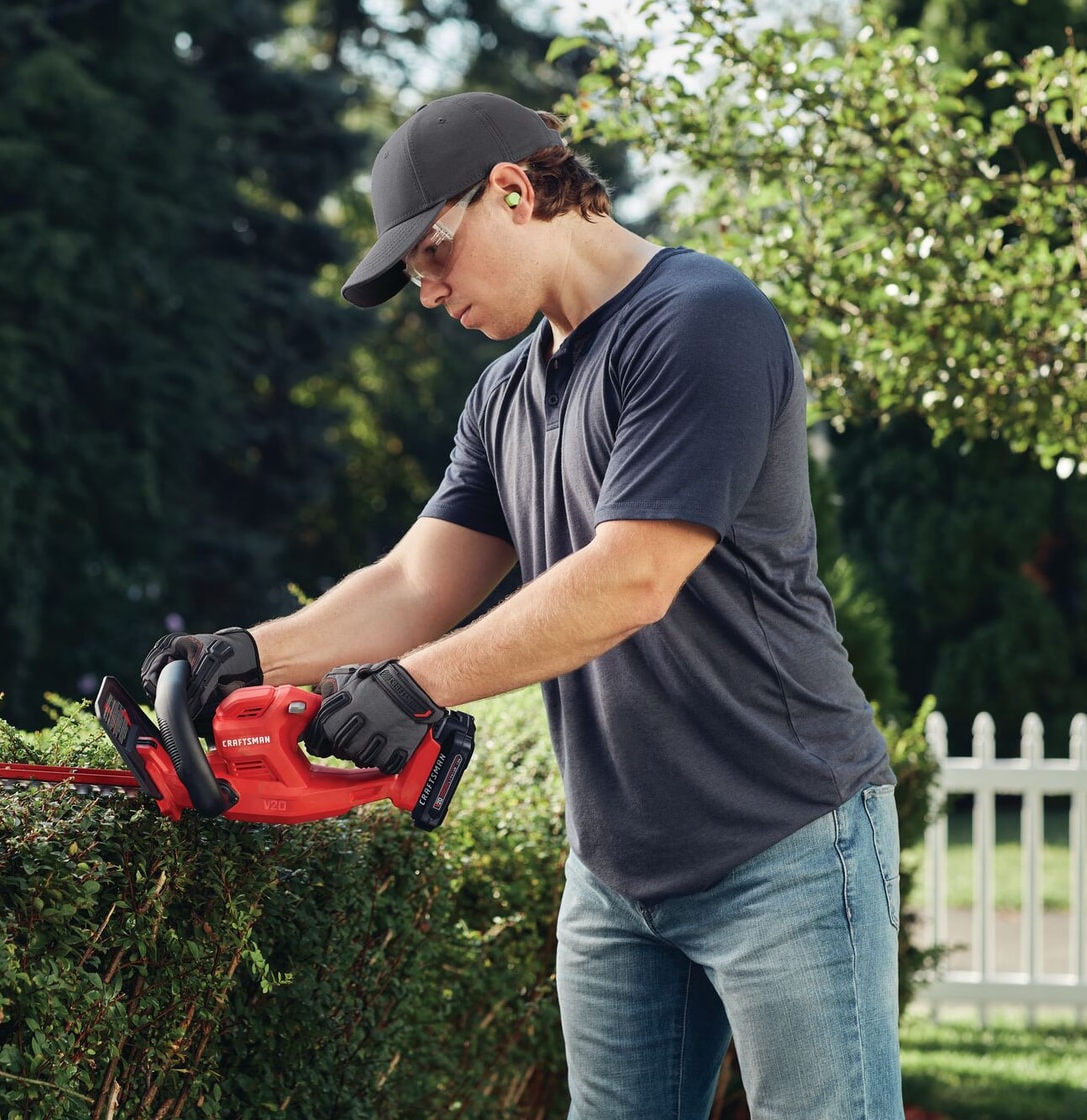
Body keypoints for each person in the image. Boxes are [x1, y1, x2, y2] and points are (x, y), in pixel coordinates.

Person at [141, 91, 904, 1119]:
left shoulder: (701, 323)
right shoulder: (505, 395)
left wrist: (413, 687)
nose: (425, 289)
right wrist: (245, 653)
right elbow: (417, 582)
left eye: (434, 254)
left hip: (789, 846)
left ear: (512, 192)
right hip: (616, 872)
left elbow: (630, 579)